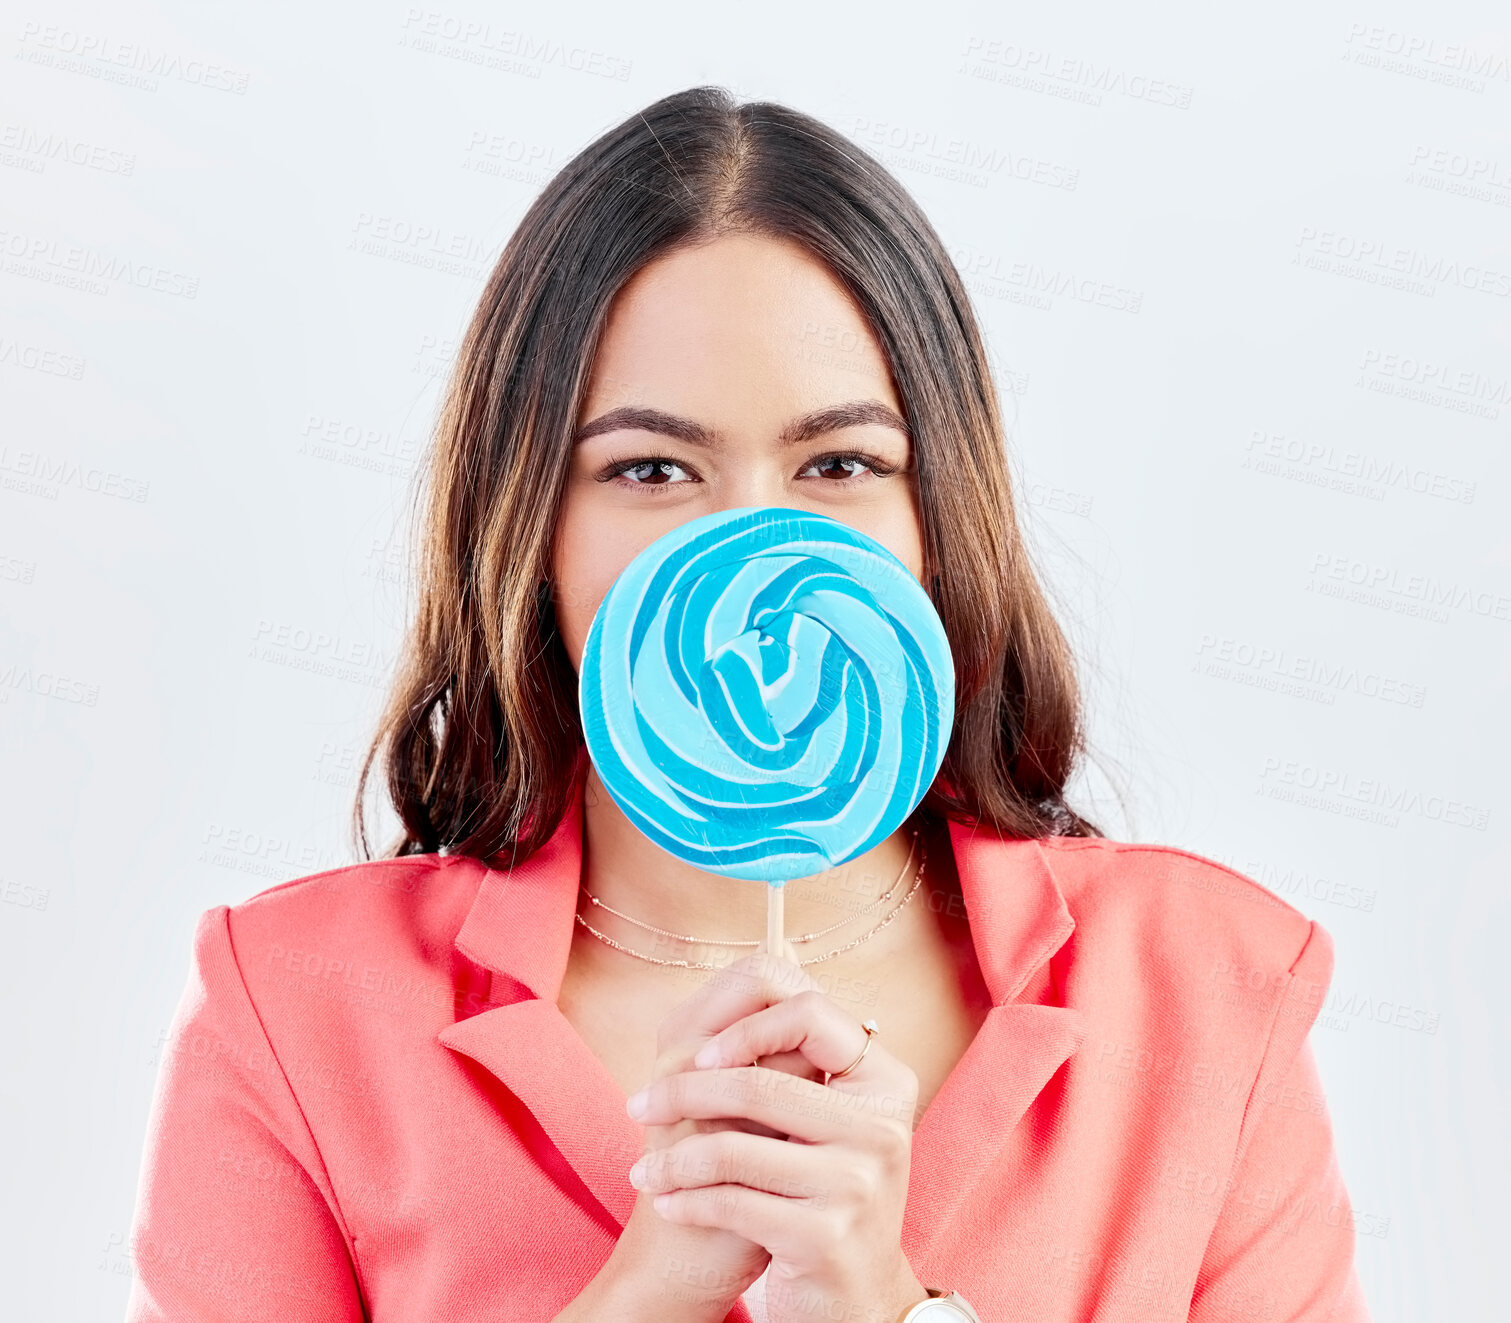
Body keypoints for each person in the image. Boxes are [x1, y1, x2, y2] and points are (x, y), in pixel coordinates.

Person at [123, 86, 1371, 1322]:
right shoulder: (293, 1007)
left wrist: (884, 1307)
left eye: (838, 464)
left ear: (935, 519)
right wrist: (651, 1289)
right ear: (529, 524)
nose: (751, 547)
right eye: (650, 468)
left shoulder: (1208, 991)